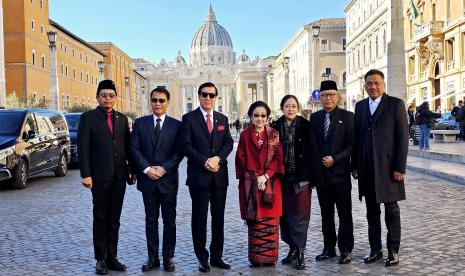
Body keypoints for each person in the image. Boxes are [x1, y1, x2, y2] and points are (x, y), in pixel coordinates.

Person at [352, 69, 409, 267]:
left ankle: (393, 250)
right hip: (366, 167)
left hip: (388, 168)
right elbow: (356, 139)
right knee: (371, 211)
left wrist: (399, 167)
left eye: (376, 83)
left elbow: (402, 138)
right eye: (369, 83)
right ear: (365, 85)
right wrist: (355, 165)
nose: (373, 87)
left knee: (392, 210)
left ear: (383, 84)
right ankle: (375, 248)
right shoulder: (359, 107)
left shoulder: (395, 104)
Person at [78, 79, 135, 275]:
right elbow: (83, 147)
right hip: (99, 177)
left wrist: (132, 169)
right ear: (97, 97)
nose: (108, 98)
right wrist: (86, 174)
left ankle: (113, 257)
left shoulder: (122, 119)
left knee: (115, 219)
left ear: (115, 98)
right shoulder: (88, 118)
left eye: (111, 95)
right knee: (100, 217)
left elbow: (127, 147)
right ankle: (100, 259)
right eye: (104, 95)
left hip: (119, 176)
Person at [180, 82, 234, 272]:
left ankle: (217, 256)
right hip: (199, 176)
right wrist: (205, 162)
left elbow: (228, 143)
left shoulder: (222, 118)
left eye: (211, 95)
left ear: (215, 97)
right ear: (199, 96)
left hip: (219, 176)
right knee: (199, 218)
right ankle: (202, 257)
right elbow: (186, 147)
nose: (208, 98)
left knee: (218, 218)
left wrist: (217, 158)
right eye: (204, 94)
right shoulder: (188, 119)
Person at [130, 87, 183, 272]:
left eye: (161, 100)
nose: (158, 103)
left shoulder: (177, 125)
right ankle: (152, 257)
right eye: (154, 100)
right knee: (150, 220)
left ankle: (168, 257)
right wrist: (146, 169)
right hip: (148, 180)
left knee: (169, 221)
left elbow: (179, 152)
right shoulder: (140, 123)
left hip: (168, 180)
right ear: (150, 102)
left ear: (168, 102)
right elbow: (134, 149)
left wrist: (164, 168)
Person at [269, 95, 323, 270]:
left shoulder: (306, 126)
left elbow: (314, 152)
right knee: (284, 215)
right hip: (281, 179)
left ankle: (300, 251)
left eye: (293, 106)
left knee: (300, 215)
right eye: (287, 106)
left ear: (297, 108)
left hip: (302, 178)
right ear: (282, 108)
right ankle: (292, 247)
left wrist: (315, 178)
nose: (290, 109)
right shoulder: (275, 127)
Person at [310, 81, 354, 265]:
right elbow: (312, 145)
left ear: (338, 96)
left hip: (340, 174)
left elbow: (352, 145)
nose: (328, 98)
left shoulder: (348, 116)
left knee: (344, 214)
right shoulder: (315, 118)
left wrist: (335, 159)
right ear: (320, 98)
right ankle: (329, 248)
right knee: (326, 214)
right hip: (322, 177)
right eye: (324, 95)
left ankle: (345, 250)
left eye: (331, 95)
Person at [236, 101, 285, 267]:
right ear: (251, 116)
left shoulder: (274, 134)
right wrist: (255, 177)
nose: (260, 118)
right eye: (256, 115)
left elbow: (278, 158)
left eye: (263, 116)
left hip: (271, 184)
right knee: (255, 221)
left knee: (270, 220)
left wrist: (266, 175)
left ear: (267, 117)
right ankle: (256, 258)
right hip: (252, 185)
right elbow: (241, 158)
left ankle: (270, 257)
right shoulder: (244, 135)